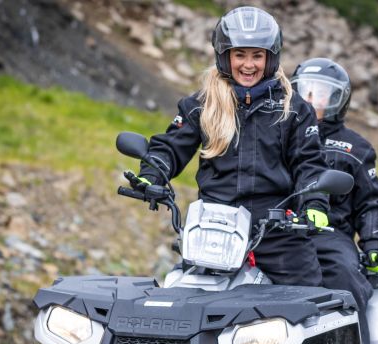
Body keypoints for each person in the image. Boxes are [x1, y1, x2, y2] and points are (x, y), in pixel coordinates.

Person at [131, 6, 331, 287]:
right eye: (240, 54)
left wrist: (315, 202)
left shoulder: (294, 108)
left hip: (277, 230)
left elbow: (309, 163)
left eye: (257, 56)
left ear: (271, 58)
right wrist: (152, 173)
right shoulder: (201, 104)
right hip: (213, 228)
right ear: (224, 56)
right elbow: (170, 147)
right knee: (184, 298)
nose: (248, 65)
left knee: (308, 298)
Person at [291, 58, 378, 344]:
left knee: (344, 275)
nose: (312, 100)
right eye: (305, 92)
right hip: (280, 228)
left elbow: (371, 200)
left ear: (339, 100)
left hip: (330, 235)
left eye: (322, 94)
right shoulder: (279, 135)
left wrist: (373, 243)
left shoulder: (355, 148)